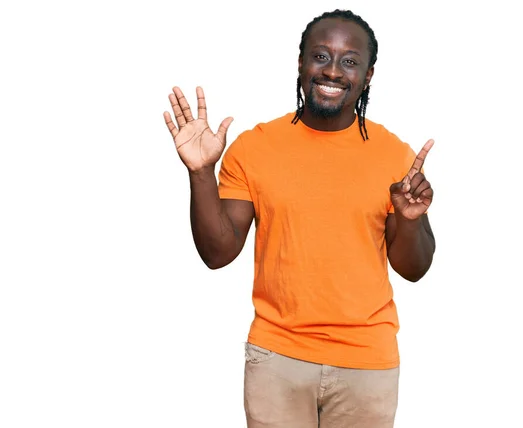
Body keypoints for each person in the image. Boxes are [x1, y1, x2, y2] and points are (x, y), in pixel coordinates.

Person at [163, 9, 435, 428]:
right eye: (321, 56)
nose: (333, 71)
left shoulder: (394, 155)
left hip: (367, 363)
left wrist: (411, 219)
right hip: (277, 359)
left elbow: (413, 270)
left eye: (349, 61)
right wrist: (201, 173)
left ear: (368, 75)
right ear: (301, 63)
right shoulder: (255, 148)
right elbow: (217, 254)